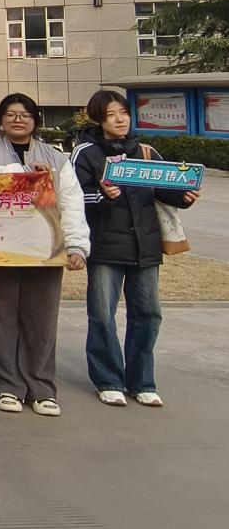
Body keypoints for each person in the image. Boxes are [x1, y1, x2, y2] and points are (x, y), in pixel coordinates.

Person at [71, 90, 198, 408]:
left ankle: (142, 382)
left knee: (149, 315)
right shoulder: (85, 153)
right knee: (103, 316)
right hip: (105, 247)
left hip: (145, 246)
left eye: (124, 112)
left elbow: (163, 190)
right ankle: (108, 381)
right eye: (111, 114)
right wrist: (102, 196)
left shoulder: (145, 151)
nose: (120, 119)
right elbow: (74, 198)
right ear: (98, 119)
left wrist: (183, 197)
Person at [0, 94, 90, 416]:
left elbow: (72, 204)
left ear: (35, 120)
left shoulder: (58, 159)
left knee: (41, 320)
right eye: (11, 114)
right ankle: (7, 386)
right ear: (0, 120)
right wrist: (26, 173)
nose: (18, 120)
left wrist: (76, 246)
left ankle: (42, 388)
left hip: (45, 250)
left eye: (25, 115)